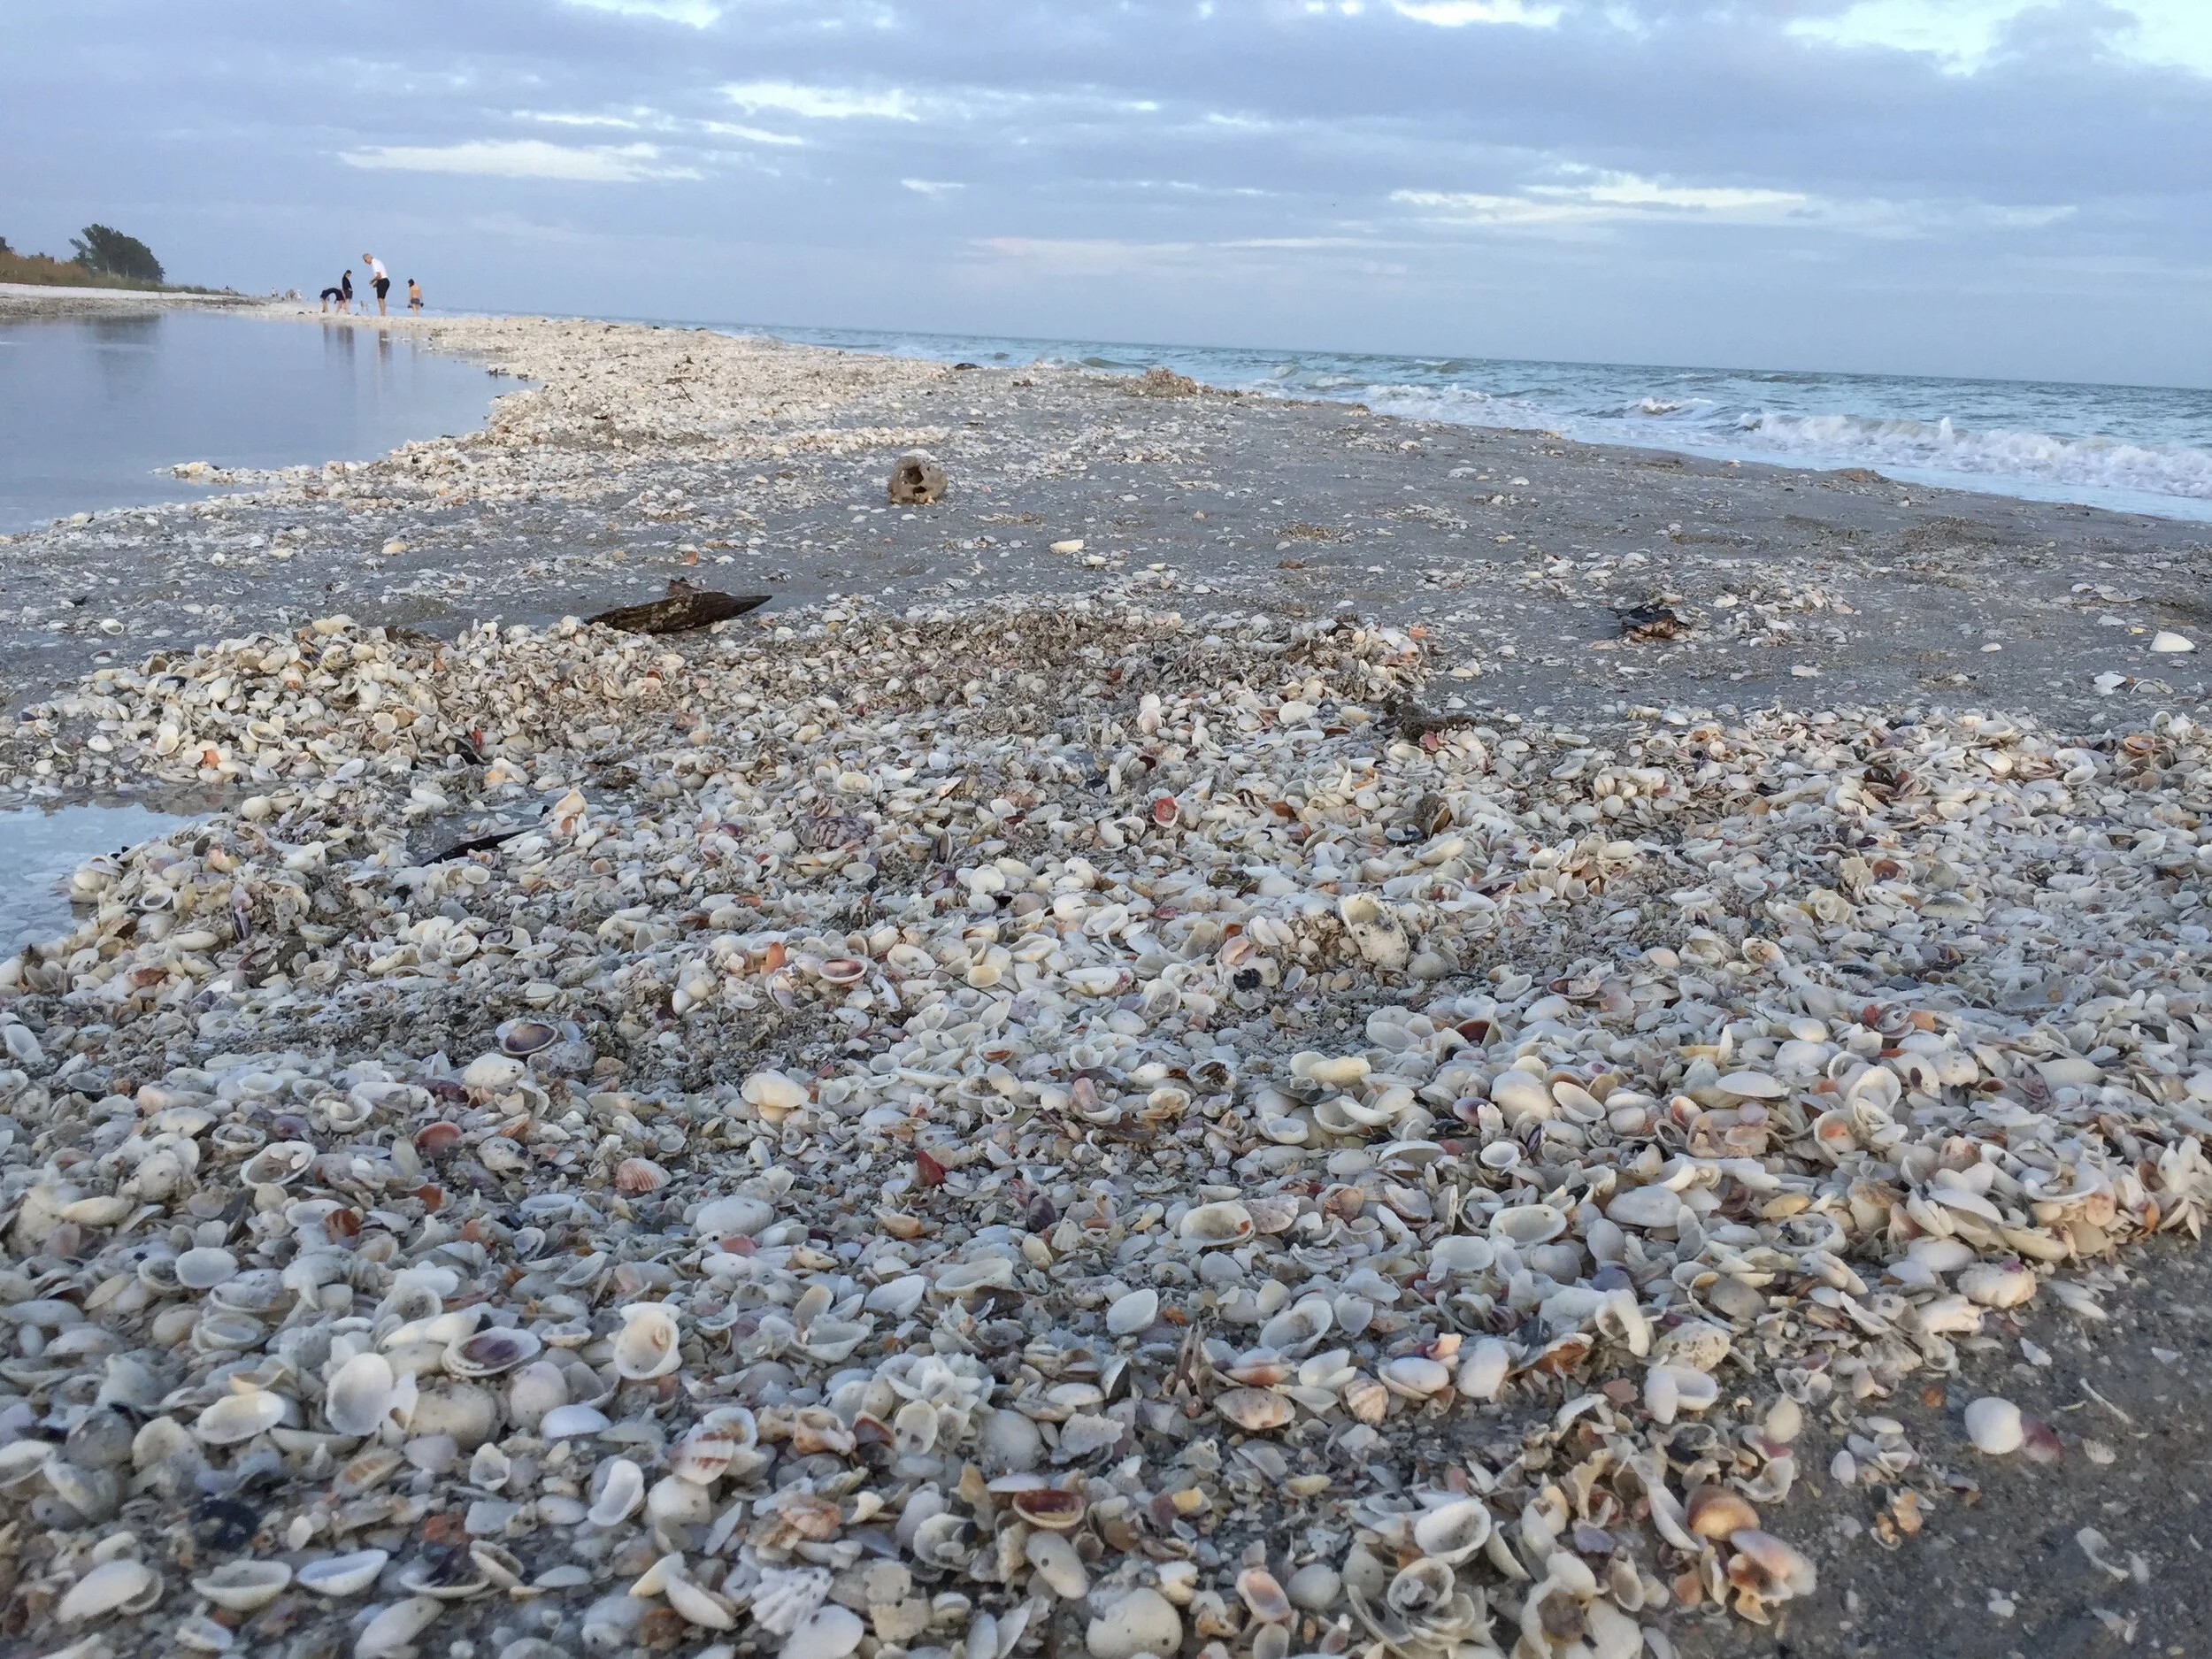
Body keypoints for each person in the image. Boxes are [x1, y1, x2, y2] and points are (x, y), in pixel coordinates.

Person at [362, 251, 391, 316]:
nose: (366, 262)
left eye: (365, 260)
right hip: (384, 281)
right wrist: (376, 283)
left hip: (383, 281)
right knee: (381, 298)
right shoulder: (377, 262)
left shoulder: (374, 263)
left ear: (368, 257)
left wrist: (372, 280)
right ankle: (383, 314)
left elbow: (379, 276)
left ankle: (383, 314)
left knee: (380, 299)